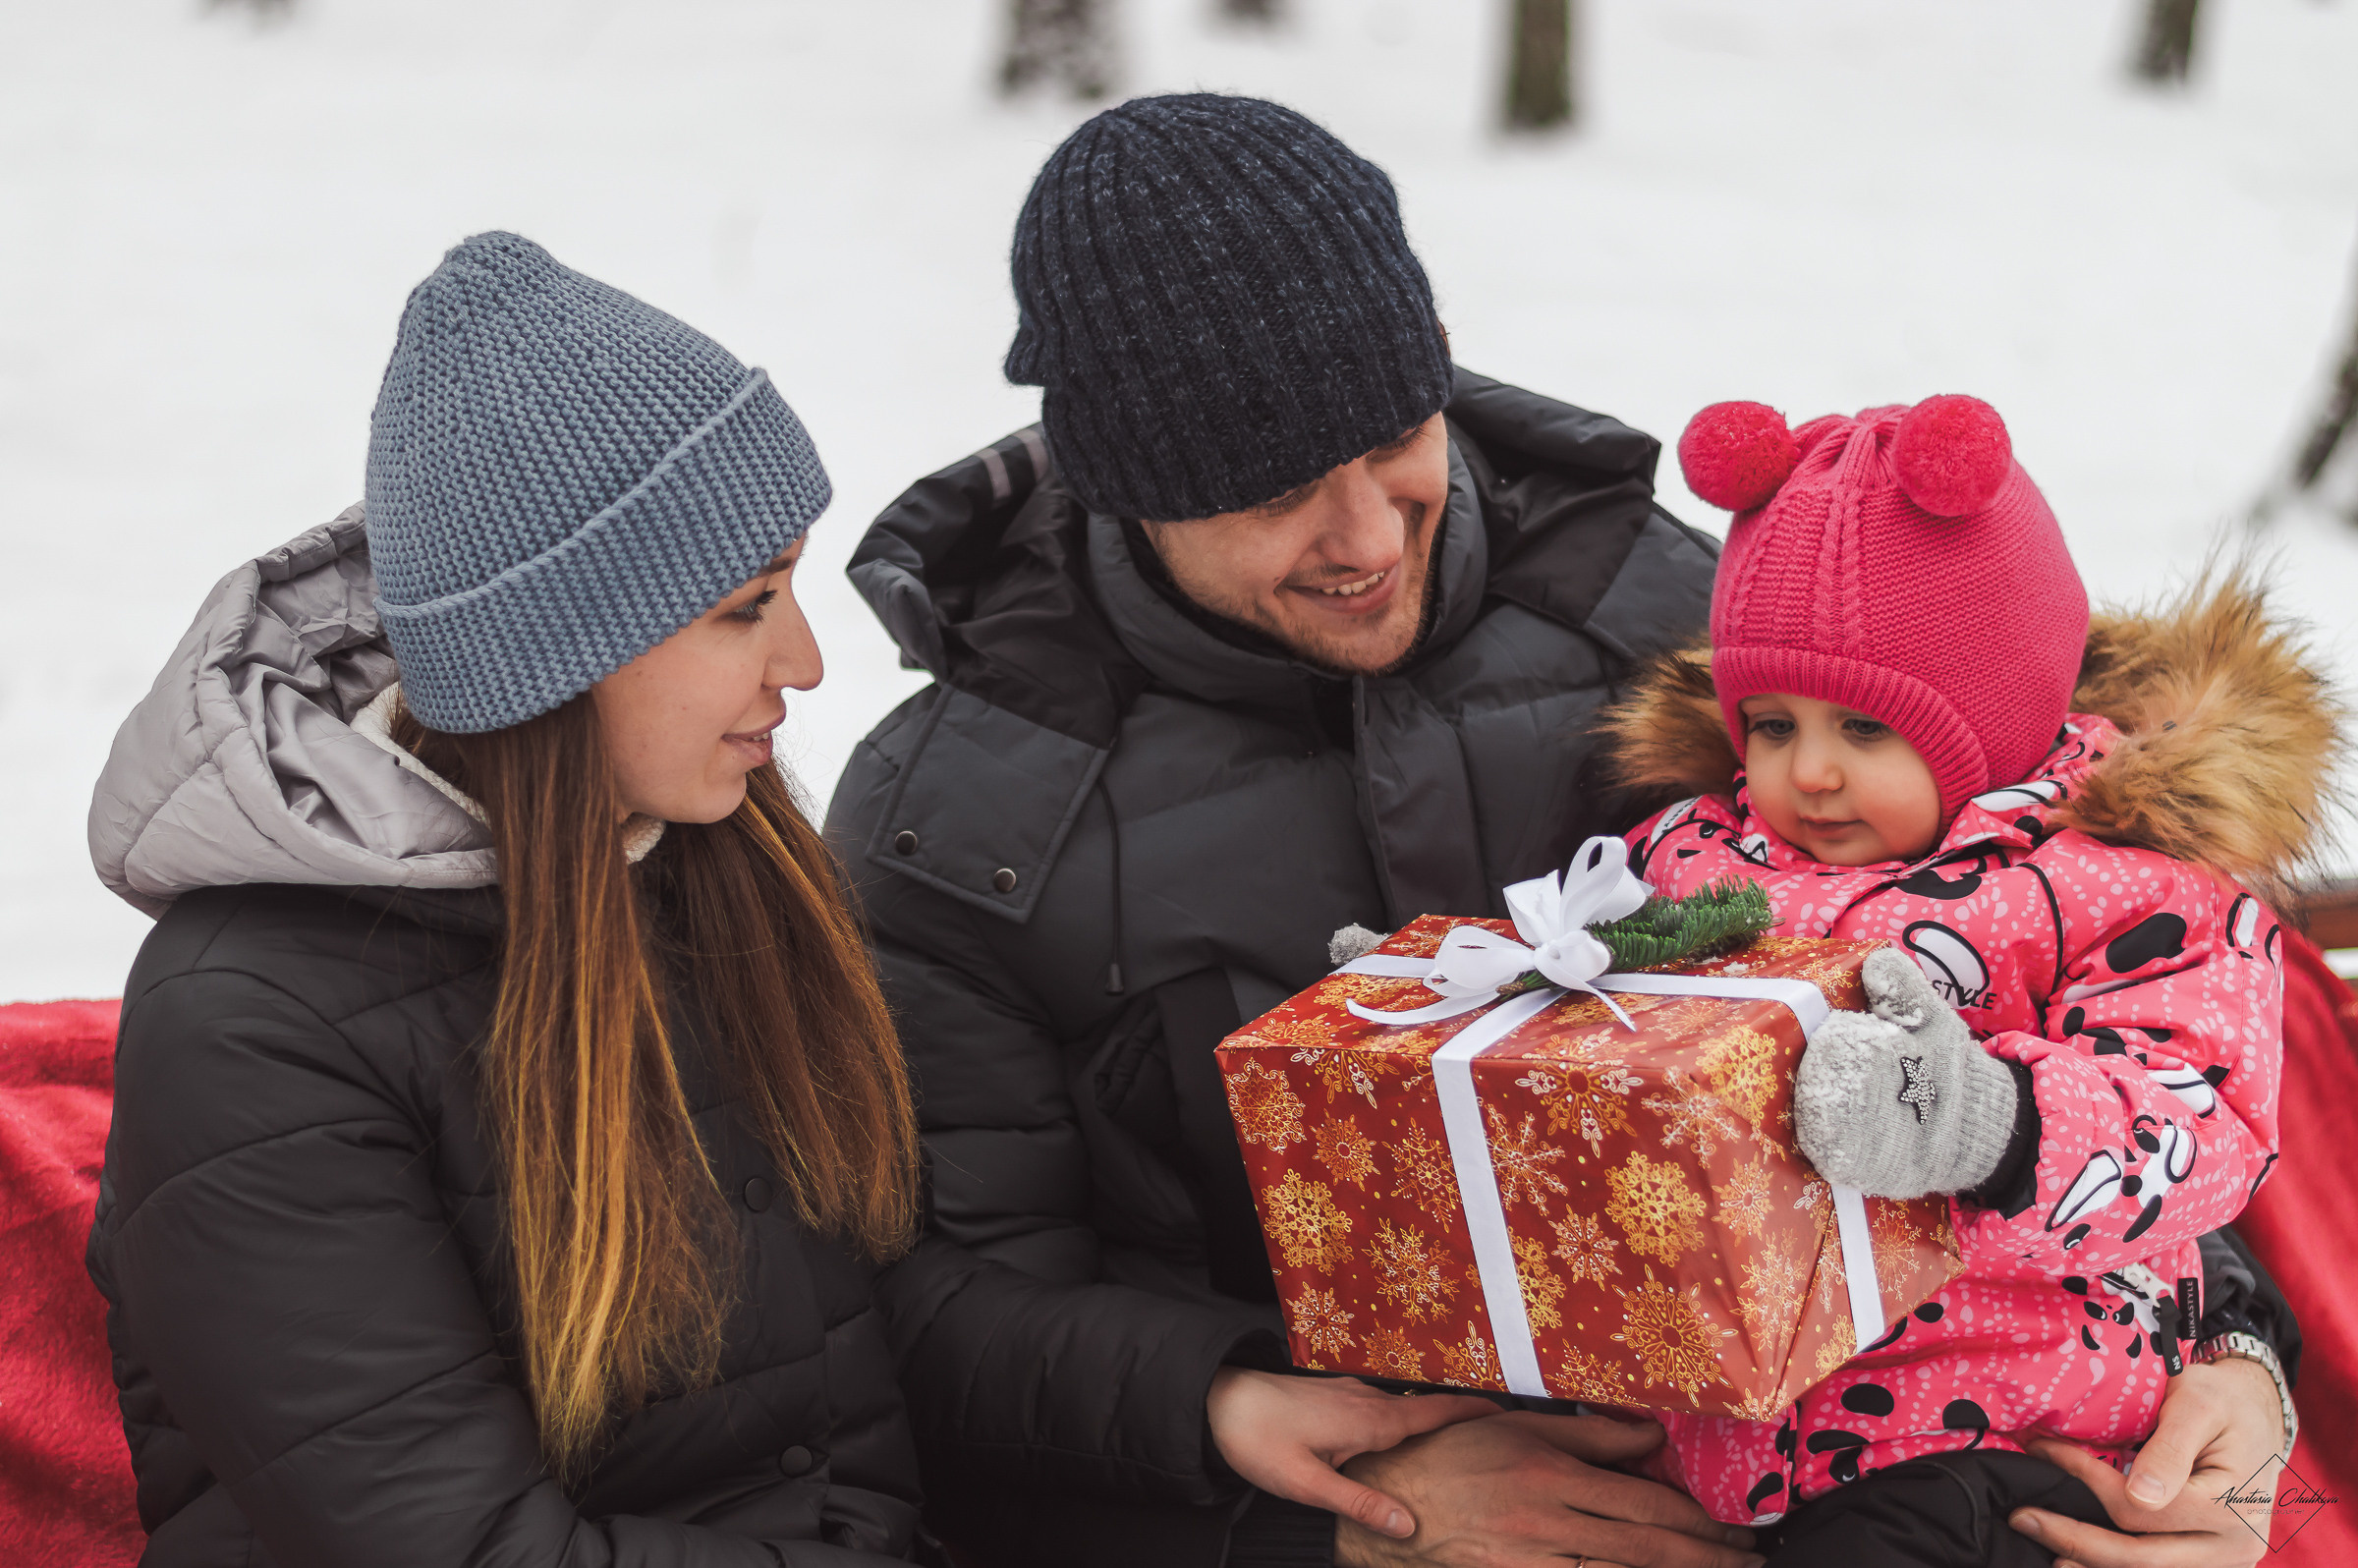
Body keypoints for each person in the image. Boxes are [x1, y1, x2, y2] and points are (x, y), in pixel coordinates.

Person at [825, 95, 2306, 1568]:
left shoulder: (1652, 626)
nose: (1367, 536)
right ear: (1128, 489)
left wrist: (2235, 1363)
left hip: (1849, 1456)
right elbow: (943, 1325)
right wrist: (1337, 1514)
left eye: (1398, 439)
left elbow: (2035, 956)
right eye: (1278, 497)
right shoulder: (961, 823)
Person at [81, 232, 1477, 1567]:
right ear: (563, 655)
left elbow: (861, 1319)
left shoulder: (698, 873)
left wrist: (1210, 1403)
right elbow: (457, 1545)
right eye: (746, 606)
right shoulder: (252, 1031)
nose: (804, 664)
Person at [1601, 396, 2324, 1564]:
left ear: (2001, 716)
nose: (1811, 772)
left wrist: (1987, 1122)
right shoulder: (1692, 852)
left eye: (1868, 730)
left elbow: (2199, 1112)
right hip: (1732, 1416)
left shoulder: (2125, 888)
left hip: (2003, 1420)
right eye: (1772, 724)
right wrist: (1479, 997)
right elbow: (1607, 1008)